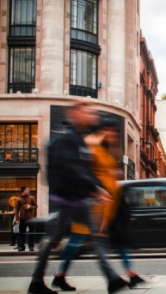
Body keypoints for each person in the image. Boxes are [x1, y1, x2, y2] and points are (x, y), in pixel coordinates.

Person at [28, 101, 128, 294]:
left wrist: (97, 188)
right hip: (64, 200)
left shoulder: (82, 140)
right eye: (88, 113)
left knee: (98, 239)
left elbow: (85, 170)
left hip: (80, 200)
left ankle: (112, 279)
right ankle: (36, 282)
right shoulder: (69, 139)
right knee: (52, 240)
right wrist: (96, 189)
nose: (92, 116)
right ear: (75, 114)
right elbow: (71, 168)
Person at [54, 118, 145, 288]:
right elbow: (86, 173)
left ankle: (126, 274)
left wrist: (113, 174)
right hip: (93, 204)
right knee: (78, 241)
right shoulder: (92, 147)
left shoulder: (106, 150)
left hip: (108, 205)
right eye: (109, 130)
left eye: (115, 132)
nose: (113, 134)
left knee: (91, 241)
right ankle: (113, 278)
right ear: (102, 130)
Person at [14, 186, 37, 252]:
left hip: (31, 218)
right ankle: (21, 247)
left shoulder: (31, 198)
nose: (28, 191)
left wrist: (30, 207)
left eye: (28, 190)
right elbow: (16, 209)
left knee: (31, 233)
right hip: (22, 218)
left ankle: (31, 246)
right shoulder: (18, 199)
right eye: (27, 190)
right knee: (22, 233)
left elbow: (36, 206)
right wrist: (17, 219)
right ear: (23, 191)